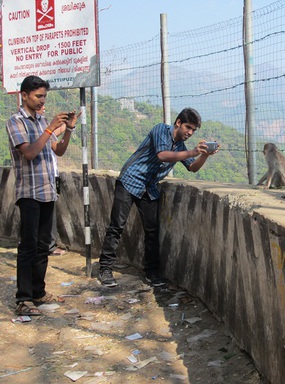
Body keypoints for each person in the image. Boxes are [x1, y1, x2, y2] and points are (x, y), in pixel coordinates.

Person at [98, 108, 218, 288]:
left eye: (193, 130)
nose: (190, 133)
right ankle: (105, 268)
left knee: (152, 232)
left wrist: (204, 156)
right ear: (178, 123)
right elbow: (162, 155)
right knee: (117, 226)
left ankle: (152, 272)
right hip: (130, 180)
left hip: (149, 187)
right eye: (188, 127)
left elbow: (192, 168)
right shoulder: (160, 129)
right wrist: (192, 152)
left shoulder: (180, 147)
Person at [5, 75, 80, 316]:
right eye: (38, 96)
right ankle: (23, 297)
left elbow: (58, 150)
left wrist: (68, 130)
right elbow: (29, 152)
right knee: (28, 246)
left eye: (44, 96)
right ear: (24, 95)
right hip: (29, 193)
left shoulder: (42, 121)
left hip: (48, 192)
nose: (41, 101)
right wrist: (49, 129)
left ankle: (38, 291)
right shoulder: (16, 122)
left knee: (41, 247)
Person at [37, 105, 68, 257]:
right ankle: (49, 244)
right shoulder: (32, 126)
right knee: (43, 214)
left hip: (51, 175)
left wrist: (67, 126)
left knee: (50, 209)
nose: (44, 107)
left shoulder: (44, 125)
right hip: (40, 178)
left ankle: (47, 243)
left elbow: (55, 140)